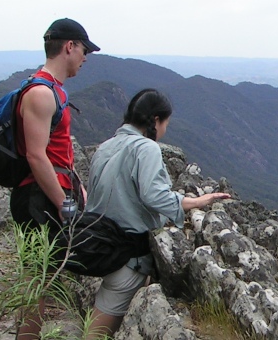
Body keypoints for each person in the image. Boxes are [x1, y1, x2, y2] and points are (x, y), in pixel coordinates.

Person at [82, 89, 230, 338]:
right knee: (96, 333)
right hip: (127, 255)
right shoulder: (146, 148)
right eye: (166, 123)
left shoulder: (106, 146)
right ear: (156, 121)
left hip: (99, 244)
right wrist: (193, 202)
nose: (165, 130)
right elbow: (154, 195)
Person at [10, 17, 99, 340]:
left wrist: (78, 189)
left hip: (49, 195)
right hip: (37, 199)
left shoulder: (53, 91)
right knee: (39, 280)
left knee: (44, 281)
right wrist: (64, 204)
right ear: (69, 47)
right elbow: (36, 156)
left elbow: (57, 152)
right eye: (84, 49)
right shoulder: (41, 94)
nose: (85, 57)